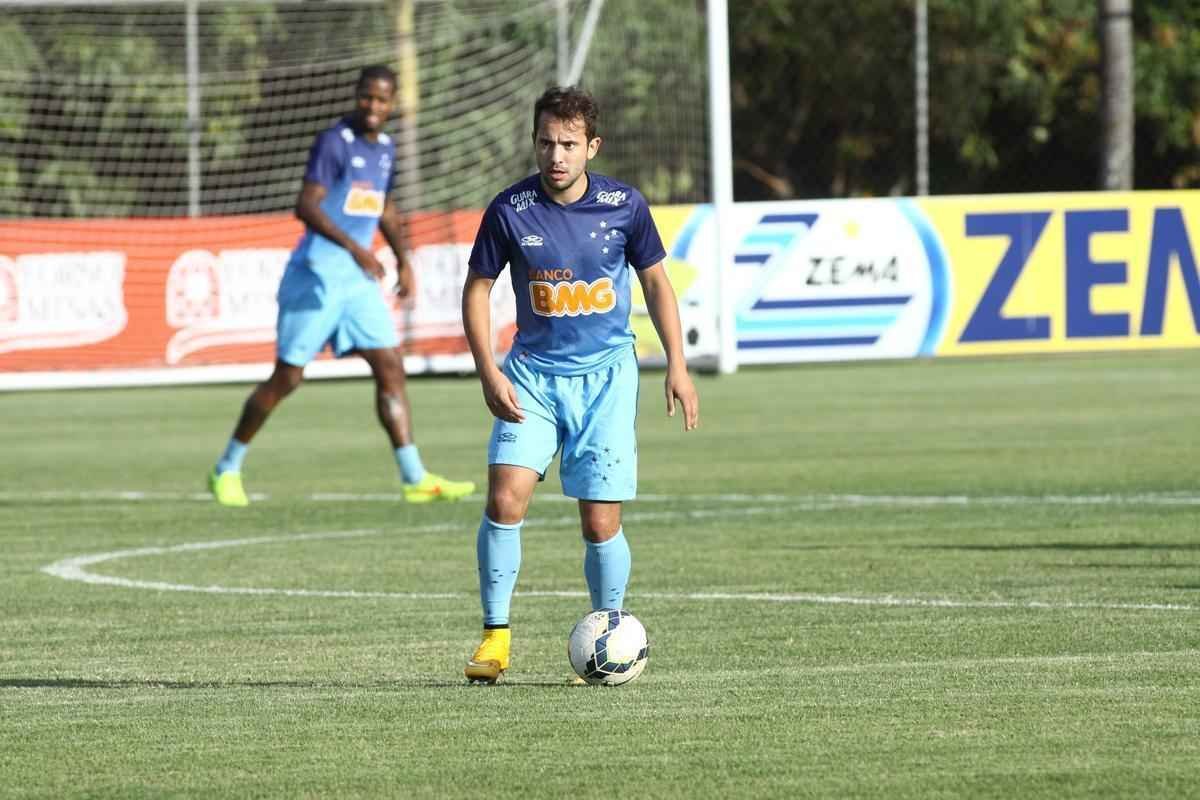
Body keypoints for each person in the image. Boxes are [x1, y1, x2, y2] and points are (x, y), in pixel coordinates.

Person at [459, 86, 700, 683]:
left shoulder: (625, 205)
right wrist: (488, 369)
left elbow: (656, 286)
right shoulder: (510, 210)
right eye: (546, 142)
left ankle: (608, 630)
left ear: (592, 146)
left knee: (599, 521)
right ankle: (494, 638)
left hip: (607, 381)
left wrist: (677, 363)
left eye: (569, 144)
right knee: (504, 497)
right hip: (532, 377)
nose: (556, 155)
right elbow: (477, 290)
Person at [207, 65, 474, 507]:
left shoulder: (386, 149)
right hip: (316, 278)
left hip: (357, 284)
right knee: (288, 378)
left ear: (393, 104)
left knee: (390, 365)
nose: (373, 106)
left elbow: (384, 209)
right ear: (357, 97)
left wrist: (404, 260)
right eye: (367, 97)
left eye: (382, 99)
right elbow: (305, 205)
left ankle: (414, 478)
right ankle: (227, 468)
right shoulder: (335, 142)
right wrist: (354, 247)